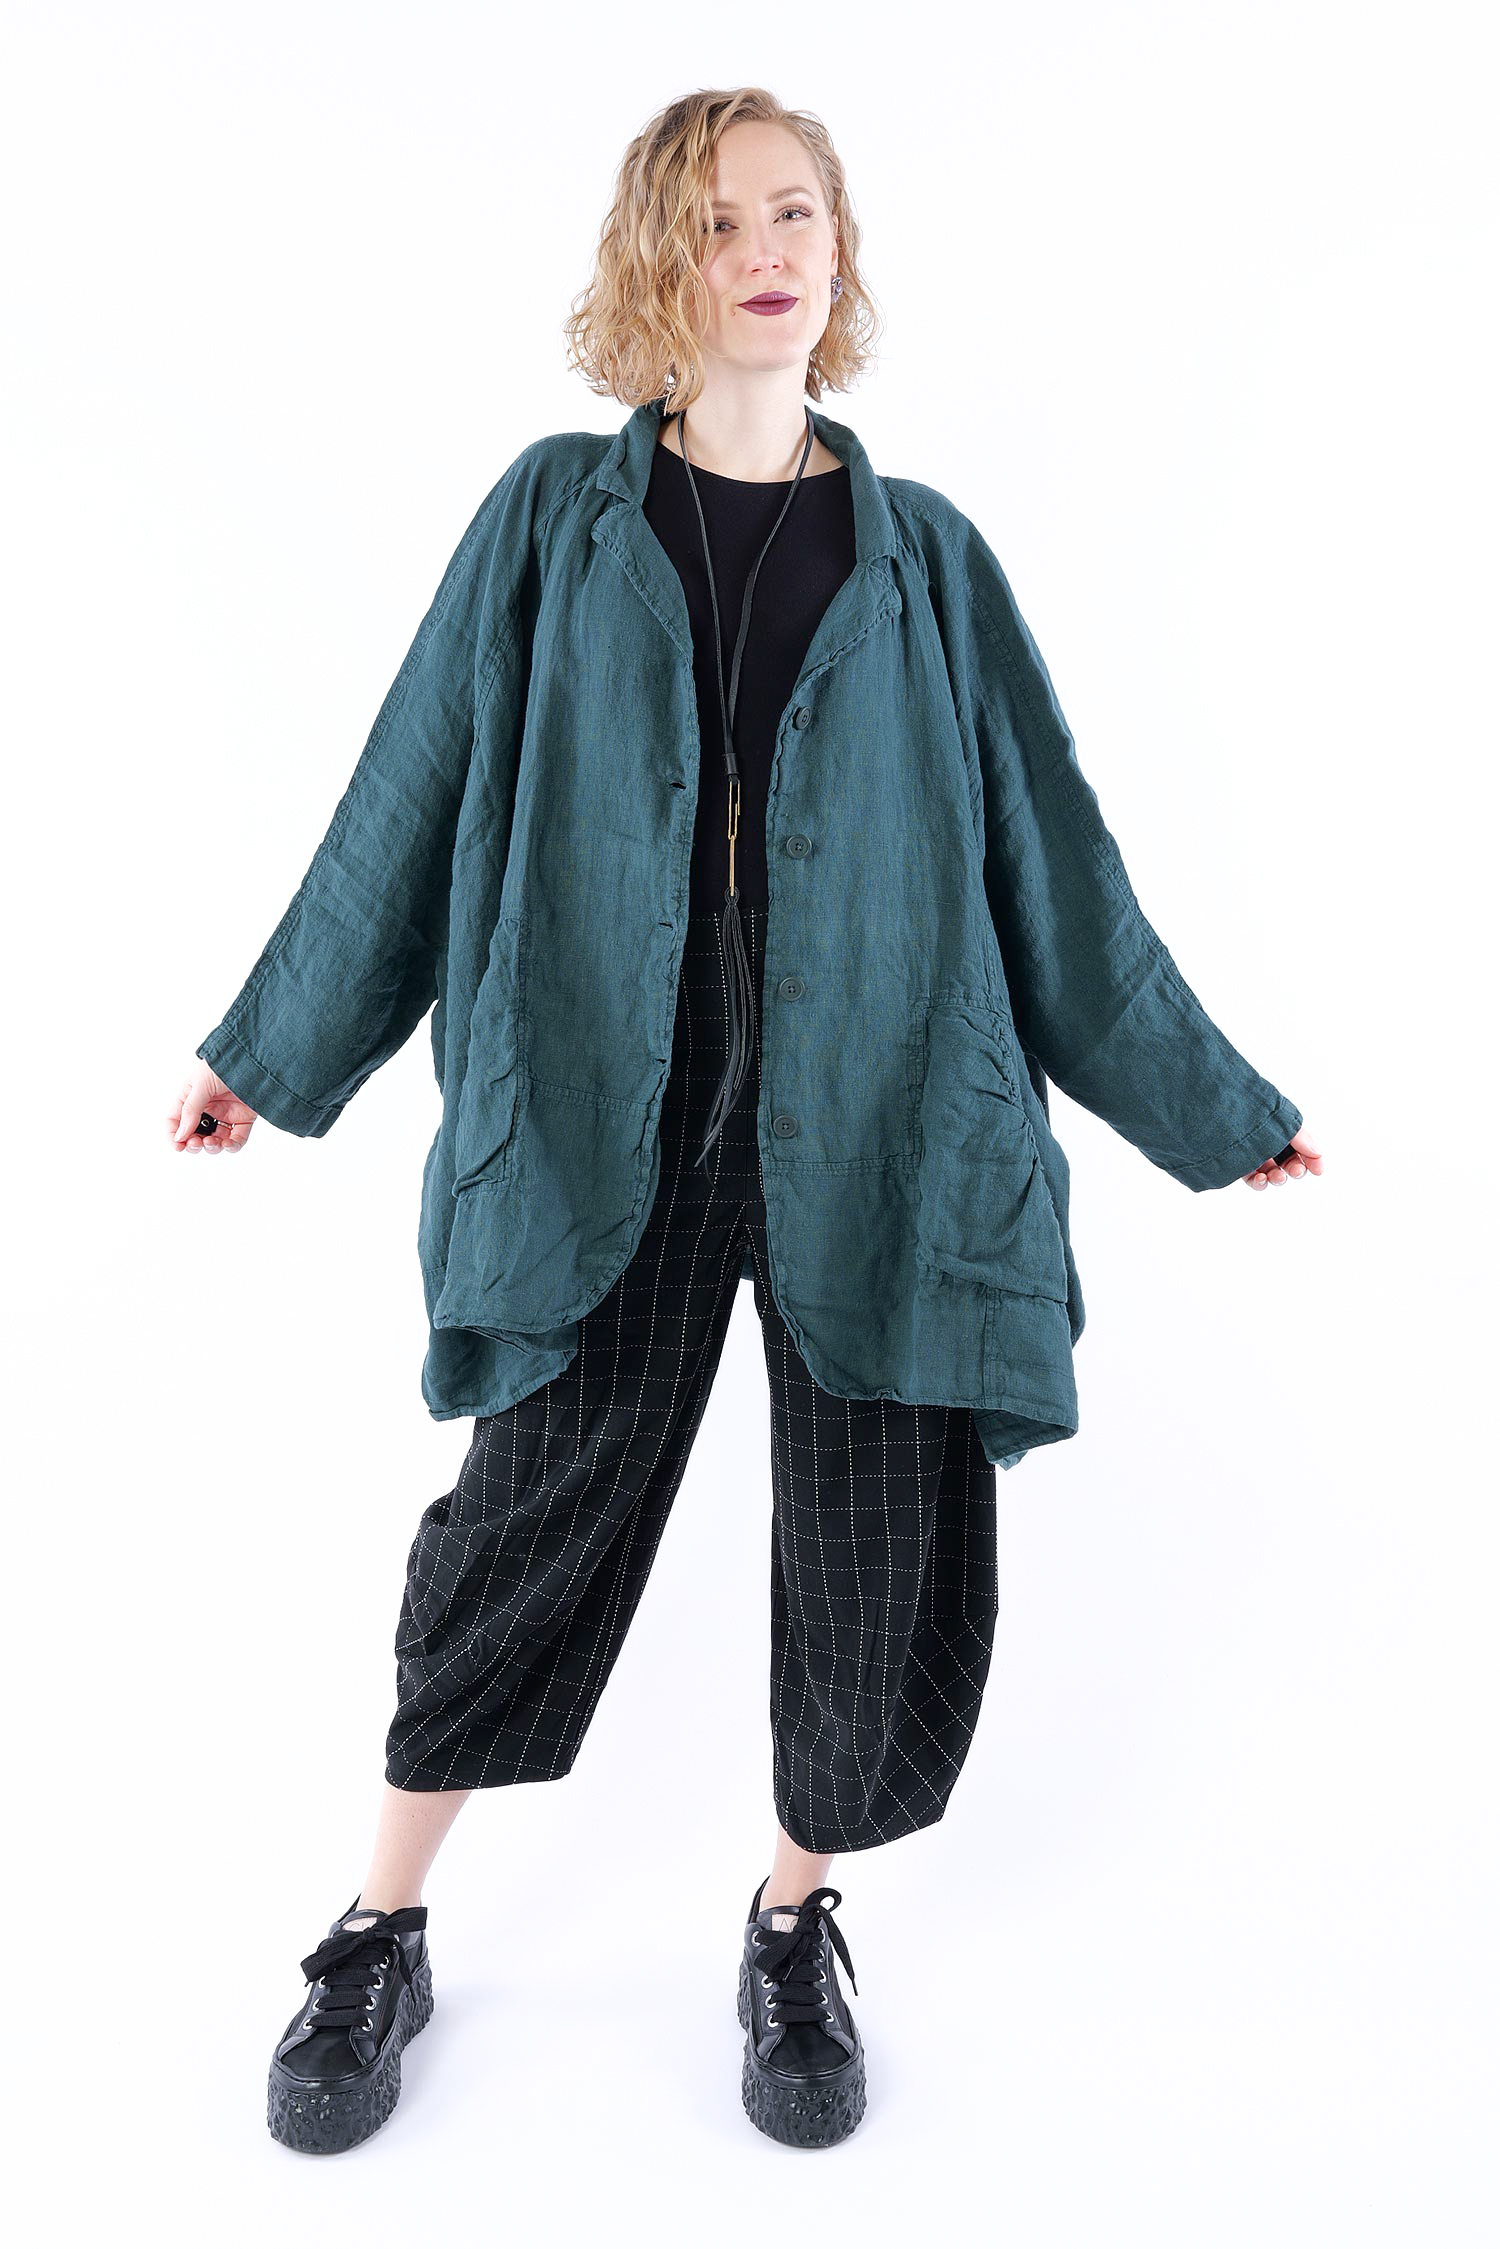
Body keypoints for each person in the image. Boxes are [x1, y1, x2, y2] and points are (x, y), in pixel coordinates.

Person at [169, 87, 1322, 2158]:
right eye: (716, 223)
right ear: (656, 259)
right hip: (602, 1094)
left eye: (795, 212)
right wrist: (271, 1050)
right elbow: (410, 783)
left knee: (879, 1542)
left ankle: (795, 1921)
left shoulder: (925, 556)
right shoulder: (552, 516)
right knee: (524, 1517)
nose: (766, 251)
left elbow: (1055, 862)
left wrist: (1208, 1104)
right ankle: (378, 1926)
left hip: (885, 1114)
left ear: (839, 246)